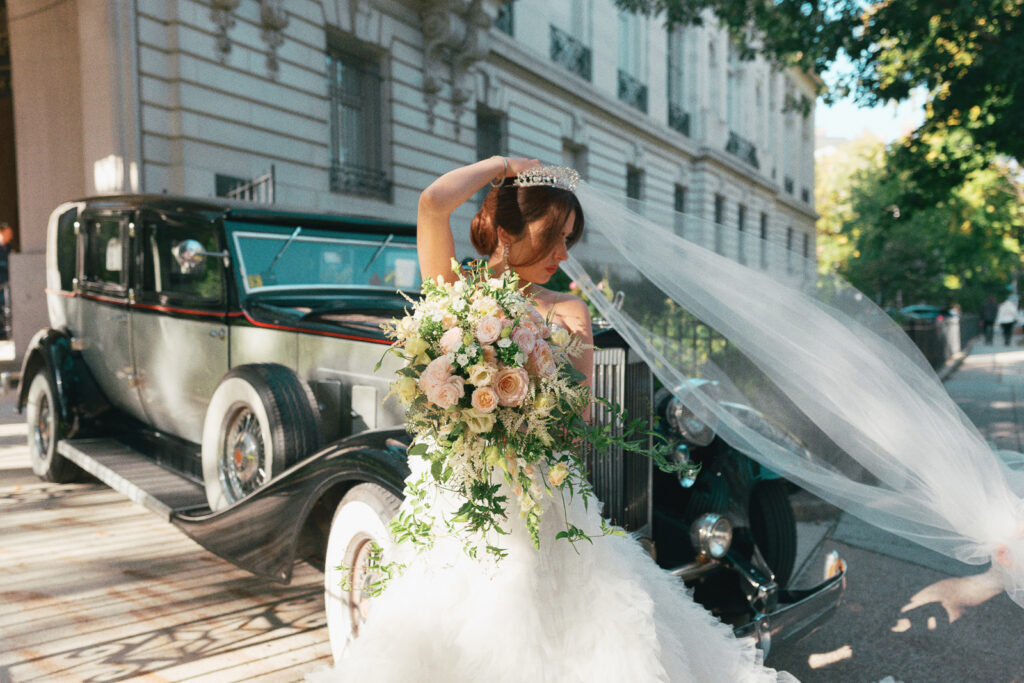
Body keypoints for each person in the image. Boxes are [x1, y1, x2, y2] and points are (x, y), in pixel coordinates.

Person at [307, 157, 793, 682]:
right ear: (508, 230)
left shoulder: (567, 311)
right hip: (456, 496)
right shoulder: (452, 291)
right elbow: (432, 203)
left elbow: (578, 414)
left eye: (570, 240)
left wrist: (513, 412)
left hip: (542, 495)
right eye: (555, 236)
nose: (564, 255)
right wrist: (501, 166)